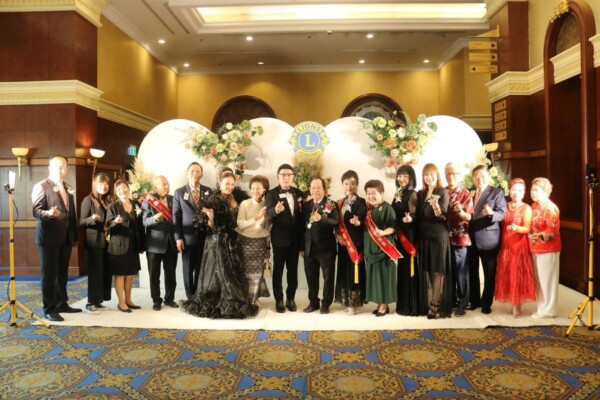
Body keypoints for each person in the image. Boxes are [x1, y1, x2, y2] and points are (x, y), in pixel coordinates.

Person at [180, 172, 257, 319]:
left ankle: (233, 300)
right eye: (226, 184)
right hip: (217, 241)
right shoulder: (212, 200)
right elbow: (209, 226)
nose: (229, 187)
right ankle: (220, 302)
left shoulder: (238, 197)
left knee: (232, 272)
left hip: (234, 241)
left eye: (232, 184)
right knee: (220, 272)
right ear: (220, 184)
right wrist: (211, 217)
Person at [32, 155, 80, 322]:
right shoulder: (41, 186)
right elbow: (36, 211)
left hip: (65, 237)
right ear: (50, 168)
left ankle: (61, 303)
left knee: (62, 273)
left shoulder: (67, 187)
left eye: (63, 166)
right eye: (57, 166)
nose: (60, 170)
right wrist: (49, 213)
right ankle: (49, 309)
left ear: (67, 168)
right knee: (49, 275)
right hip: (48, 238)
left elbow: (70, 214)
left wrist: (73, 235)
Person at [408, 163, 452, 319]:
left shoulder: (442, 191)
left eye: (431, 174)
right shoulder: (421, 193)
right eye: (426, 174)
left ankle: (434, 306)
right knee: (429, 269)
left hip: (438, 236)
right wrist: (410, 218)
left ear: (437, 175)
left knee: (438, 270)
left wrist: (435, 207)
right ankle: (437, 300)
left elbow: (441, 214)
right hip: (425, 236)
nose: (429, 177)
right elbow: (417, 215)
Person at [265, 163, 305, 313]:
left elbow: (301, 217)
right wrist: (276, 210)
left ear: (293, 177)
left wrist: (302, 243)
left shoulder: (299, 193)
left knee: (293, 270)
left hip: (295, 239)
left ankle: (291, 298)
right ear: (278, 177)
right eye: (283, 175)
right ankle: (279, 300)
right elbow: (269, 212)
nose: (286, 177)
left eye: (289, 175)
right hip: (279, 239)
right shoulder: (271, 194)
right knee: (278, 271)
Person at [468, 165, 507, 314]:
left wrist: (491, 213)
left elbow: (502, 213)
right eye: (476, 176)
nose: (479, 179)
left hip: (489, 239)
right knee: (472, 271)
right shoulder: (470, 193)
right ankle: (474, 300)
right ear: (473, 179)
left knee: (489, 274)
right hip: (471, 238)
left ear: (488, 177)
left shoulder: (496, 192)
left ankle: (486, 303)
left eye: (482, 176)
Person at [495, 178, 536, 318]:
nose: (516, 192)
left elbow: (527, 228)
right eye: (513, 189)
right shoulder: (504, 206)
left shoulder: (526, 208)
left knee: (517, 275)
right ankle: (512, 301)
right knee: (508, 274)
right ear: (509, 191)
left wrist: (516, 228)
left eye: (519, 190)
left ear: (524, 192)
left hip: (519, 246)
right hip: (505, 245)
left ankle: (517, 304)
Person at [391, 164, 426, 316]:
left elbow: (416, 214)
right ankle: (402, 305)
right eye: (399, 175)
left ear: (411, 178)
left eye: (405, 176)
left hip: (409, 236)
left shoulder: (412, 194)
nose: (402, 179)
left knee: (409, 270)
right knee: (402, 271)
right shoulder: (398, 193)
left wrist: (410, 218)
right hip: (400, 235)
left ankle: (412, 307)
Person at [173, 162, 211, 300]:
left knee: (201, 268)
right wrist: (178, 238)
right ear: (187, 173)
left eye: (198, 171)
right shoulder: (179, 192)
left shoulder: (208, 191)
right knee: (188, 269)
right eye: (192, 171)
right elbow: (176, 216)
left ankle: (198, 295)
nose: (195, 173)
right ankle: (190, 298)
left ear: (201, 174)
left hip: (204, 236)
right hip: (186, 238)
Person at [302, 178, 339, 314]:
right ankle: (313, 302)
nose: (315, 190)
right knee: (311, 277)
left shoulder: (331, 204)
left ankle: (326, 304)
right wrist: (301, 247)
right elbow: (301, 227)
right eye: (313, 188)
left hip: (326, 248)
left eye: (318, 188)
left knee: (328, 278)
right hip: (309, 247)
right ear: (309, 190)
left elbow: (335, 222)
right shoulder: (306, 205)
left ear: (324, 189)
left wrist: (321, 219)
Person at [106, 179, 144, 312]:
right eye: (119, 189)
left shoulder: (136, 204)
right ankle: (121, 302)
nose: (122, 191)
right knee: (120, 274)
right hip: (119, 245)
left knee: (130, 274)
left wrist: (141, 244)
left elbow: (140, 225)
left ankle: (128, 300)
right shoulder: (113, 206)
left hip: (133, 244)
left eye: (124, 188)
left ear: (129, 188)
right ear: (116, 192)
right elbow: (108, 225)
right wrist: (115, 222)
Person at [142, 176, 178, 311]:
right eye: (163, 184)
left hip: (171, 243)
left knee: (171, 274)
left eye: (167, 183)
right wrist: (155, 219)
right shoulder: (148, 201)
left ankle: (169, 299)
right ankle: (156, 300)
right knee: (154, 275)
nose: (167, 186)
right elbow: (145, 221)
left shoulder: (173, 199)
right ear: (156, 187)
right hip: (154, 244)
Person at [363, 179, 399, 317]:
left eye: (374, 193)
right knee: (375, 277)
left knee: (384, 276)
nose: (371, 196)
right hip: (371, 250)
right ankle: (380, 303)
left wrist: (383, 233)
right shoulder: (368, 210)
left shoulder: (387, 208)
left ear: (382, 193)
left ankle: (384, 305)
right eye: (368, 193)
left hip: (384, 249)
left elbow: (393, 227)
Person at [334, 170, 367, 315]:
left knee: (354, 273)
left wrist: (357, 222)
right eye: (346, 183)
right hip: (342, 244)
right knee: (344, 272)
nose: (349, 186)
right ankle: (347, 302)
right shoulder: (339, 203)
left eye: (352, 183)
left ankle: (354, 304)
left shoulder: (362, 202)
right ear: (342, 185)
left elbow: (361, 219)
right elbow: (336, 224)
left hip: (355, 244)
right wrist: (337, 236)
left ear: (357, 184)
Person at [79, 173, 112, 314]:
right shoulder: (88, 200)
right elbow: (81, 221)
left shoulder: (108, 200)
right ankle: (90, 302)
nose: (104, 186)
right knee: (94, 273)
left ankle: (99, 301)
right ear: (95, 185)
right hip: (94, 242)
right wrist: (92, 218)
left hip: (107, 242)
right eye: (101, 184)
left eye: (106, 184)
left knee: (104, 272)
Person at [444, 162, 474, 316]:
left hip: (460, 238)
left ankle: (463, 303)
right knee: (448, 272)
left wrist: (461, 212)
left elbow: (469, 217)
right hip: (444, 238)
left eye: (454, 173)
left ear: (459, 175)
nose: (451, 176)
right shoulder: (442, 192)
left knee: (461, 272)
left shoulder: (465, 193)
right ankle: (451, 301)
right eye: (448, 173)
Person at [529, 177, 561, 319]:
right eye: (532, 189)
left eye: (536, 190)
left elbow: (551, 230)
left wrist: (538, 235)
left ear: (546, 192)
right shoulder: (534, 206)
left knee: (547, 279)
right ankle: (542, 308)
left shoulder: (550, 207)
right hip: (535, 247)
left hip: (548, 248)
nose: (533, 192)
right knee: (539, 280)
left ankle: (549, 310)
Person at [236, 175, 271, 305]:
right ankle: (245, 299)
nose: (255, 191)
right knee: (245, 272)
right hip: (245, 241)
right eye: (253, 188)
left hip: (260, 242)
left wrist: (268, 247)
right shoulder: (245, 203)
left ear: (264, 190)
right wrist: (255, 219)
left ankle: (254, 299)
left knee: (257, 273)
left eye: (258, 188)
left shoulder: (267, 205)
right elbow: (240, 224)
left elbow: (268, 228)